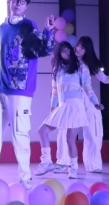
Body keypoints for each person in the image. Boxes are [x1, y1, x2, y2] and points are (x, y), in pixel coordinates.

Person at [0, 0, 54, 189]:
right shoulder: (2, 27)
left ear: (26, 5)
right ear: (9, 1)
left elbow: (44, 49)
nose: (17, 4)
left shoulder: (28, 26)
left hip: (20, 89)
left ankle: (25, 177)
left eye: (22, 1)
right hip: (1, 87)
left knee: (19, 134)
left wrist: (47, 31)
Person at [52, 35, 109, 173]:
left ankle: (93, 164)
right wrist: (54, 104)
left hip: (87, 101)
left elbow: (105, 79)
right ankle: (62, 162)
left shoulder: (90, 64)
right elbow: (57, 86)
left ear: (87, 50)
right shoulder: (68, 61)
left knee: (93, 132)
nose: (78, 49)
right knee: (64, 130)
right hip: (71, 100)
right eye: (78, 46)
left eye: (82, 48)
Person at [35, 41, 100, 179]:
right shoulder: (57, 69)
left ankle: (73, 168)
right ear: (59, 54)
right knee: (42, 131)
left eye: (68, 50)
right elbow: (54, 91)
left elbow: (87, 87)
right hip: (62, 105)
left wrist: (95, 103)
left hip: (75, 106)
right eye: (63, 51)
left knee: (70, 139)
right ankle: (46, 162)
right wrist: (52, 109)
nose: (67, 53)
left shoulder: (80, 66)